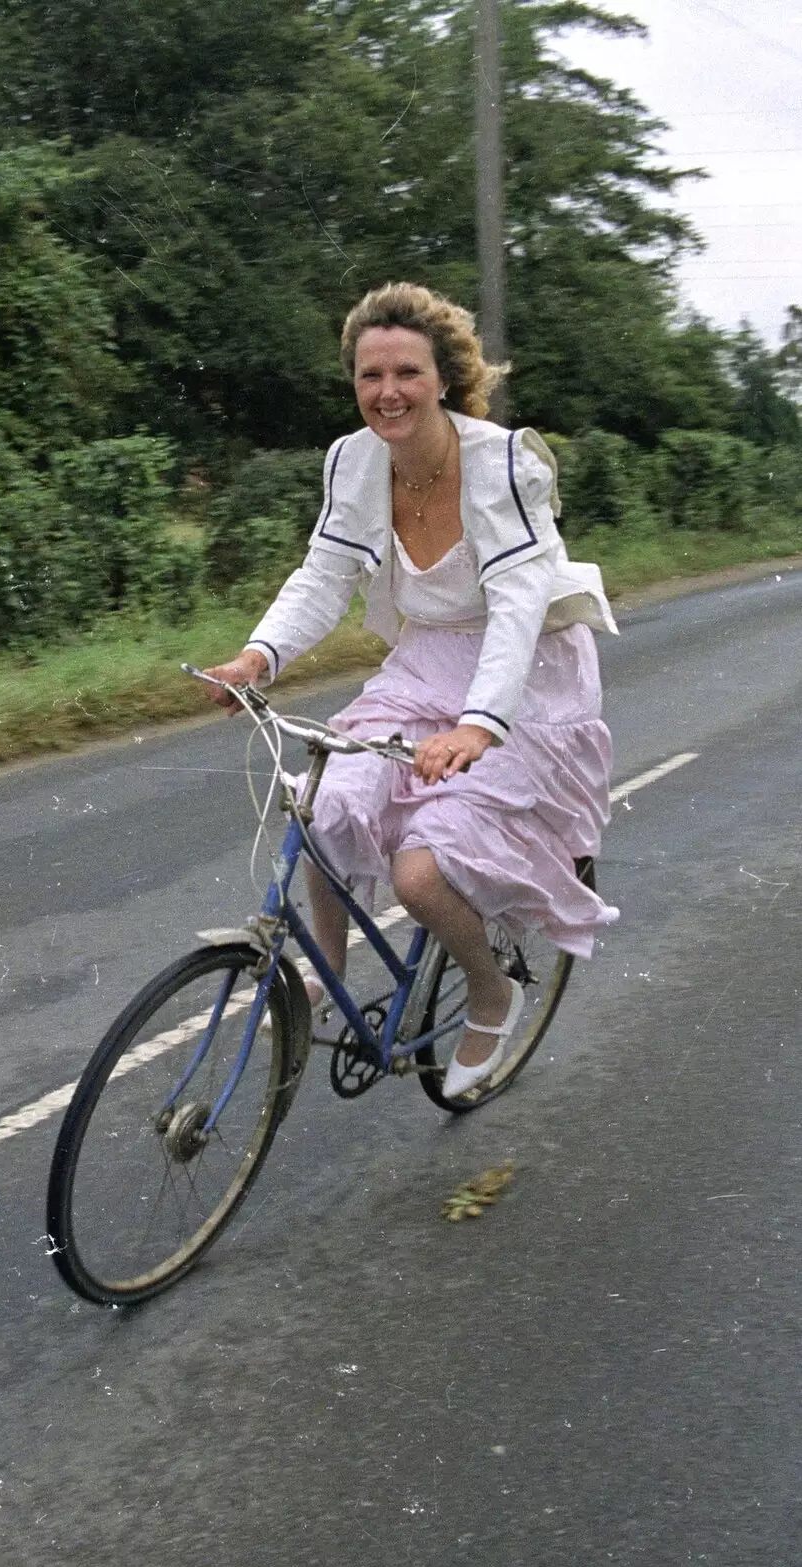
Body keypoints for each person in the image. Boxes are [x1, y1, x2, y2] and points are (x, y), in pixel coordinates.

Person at [202, 282, 619, 1099]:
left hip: (520, 676)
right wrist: (258, 656)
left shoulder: (503, 462)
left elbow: (515, 604)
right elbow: (324, 576)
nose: (386, 392)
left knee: (422, 875)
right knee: (322, 806)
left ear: (442, 378)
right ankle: (323, 964)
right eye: (368, 375)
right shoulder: (351, 459)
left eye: (406, 372)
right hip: (427, 661)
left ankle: (489, 993)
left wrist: (479, 727)